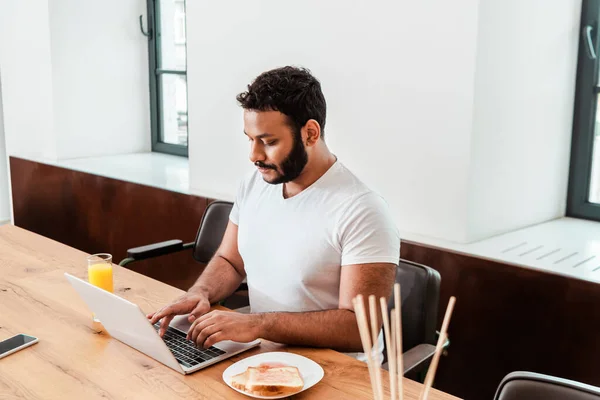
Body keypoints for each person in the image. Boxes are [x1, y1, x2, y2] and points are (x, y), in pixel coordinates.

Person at [148, 66, 400, 362]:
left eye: (268, 142)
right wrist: (200, 292)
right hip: (266, 356)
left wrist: (257, 324)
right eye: (250, 139)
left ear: (310, 133)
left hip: (338, 371)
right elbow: (230, 261)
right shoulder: (254, 183)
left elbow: (361, 328)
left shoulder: (363, 210)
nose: (254, 155)